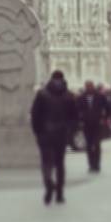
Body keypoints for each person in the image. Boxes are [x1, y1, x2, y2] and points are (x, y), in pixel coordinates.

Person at [30, 70, 77, 204]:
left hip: (45, 135)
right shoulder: (68, 96)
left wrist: (38, 132)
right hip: (61, 136)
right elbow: (74, 118)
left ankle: (49, 185)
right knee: (60, 164)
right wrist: (69, 133)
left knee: (46, 164)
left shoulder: (42, 94)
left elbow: (35, 115)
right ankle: (60, 193)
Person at [78, 81, 109, 174]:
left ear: (93, 86)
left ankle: (97, 164)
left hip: (97, 124)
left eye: (90, 86)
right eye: (87, 86)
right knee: (88, 145)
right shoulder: (81, 97)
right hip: (86, 124)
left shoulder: (100, 96)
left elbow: (108, 108)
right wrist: (80, 120)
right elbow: (76, 110)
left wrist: (104, 118)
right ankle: (91, 164)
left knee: (97, 145)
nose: (89, 88)